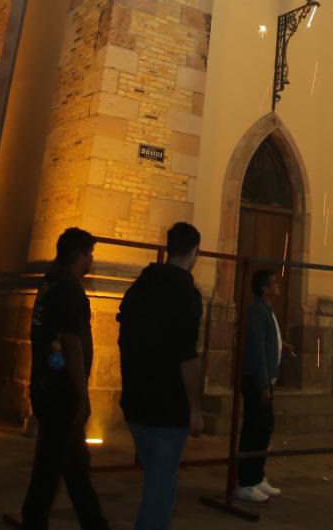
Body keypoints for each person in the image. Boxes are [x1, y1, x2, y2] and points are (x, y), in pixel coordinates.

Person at [10, 228, 108, 530]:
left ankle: (90, 522)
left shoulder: (49, 283)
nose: (91, 261)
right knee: (52, 465)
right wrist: (82, 393)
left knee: (70, 463)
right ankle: (35, 518)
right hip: (62, 390)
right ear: (79, 255)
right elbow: (70, 342)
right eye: (89, 254)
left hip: (46, 383)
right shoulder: (68, 288)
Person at [118, 222, 205, 530]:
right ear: (195, 251)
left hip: (135, 401)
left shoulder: (139, 288)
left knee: (160, 481)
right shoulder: (186, 294)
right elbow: (187, 357)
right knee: (160, 487)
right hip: (168, 408)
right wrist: (195, 409)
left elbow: (125, 339)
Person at [236, 269, 286, 503]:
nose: (278, 286)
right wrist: (263, 385)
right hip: (257, 381)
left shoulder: (266, 309)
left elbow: (267, 340)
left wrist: (281, 345)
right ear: (264, 288)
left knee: (264, 429)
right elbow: (256, 350)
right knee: (254, 431)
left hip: (265, 379)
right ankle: (246, 482)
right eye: (274, 283)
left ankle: (257, 476)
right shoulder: (256, 311)